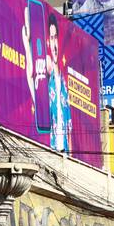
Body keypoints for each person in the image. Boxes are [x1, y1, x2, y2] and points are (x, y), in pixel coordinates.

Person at [46, 16, 72, 155]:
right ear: (47, 42)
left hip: (65, 153)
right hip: (50, 150)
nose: (54, 44)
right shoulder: (47, 72)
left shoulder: (63, 81)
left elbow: (69, 125)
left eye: (56, 37)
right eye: (51, 38)